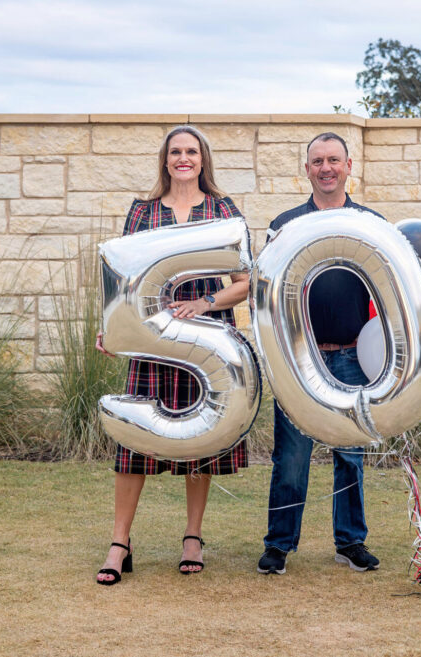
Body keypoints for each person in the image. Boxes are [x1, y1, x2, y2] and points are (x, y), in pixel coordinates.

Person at [94, 126, 250, 585]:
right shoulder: (141, 212)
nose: (184, 158)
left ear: (203, 160)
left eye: (192, 152)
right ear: (165, 160)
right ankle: (120, 542)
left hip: (206, 339)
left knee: (201, 435)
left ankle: (193, 537)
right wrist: (109, 329)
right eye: (176, 151)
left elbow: (244, 282)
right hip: (152, 339)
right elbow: (119, 279)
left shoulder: (223, 210)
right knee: (135, 440)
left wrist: (205, 304)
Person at [258, 132, 384, 576]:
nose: (326, 167)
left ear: (349, 165)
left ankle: (350, 543)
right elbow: (265, 291)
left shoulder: (371, 223)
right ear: (306, 169)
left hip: (354, 357)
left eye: (334, 159)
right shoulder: (286, 223)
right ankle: (279, 545)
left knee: (351, 454)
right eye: (317, 161)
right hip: (299, 359)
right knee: (290, 457)